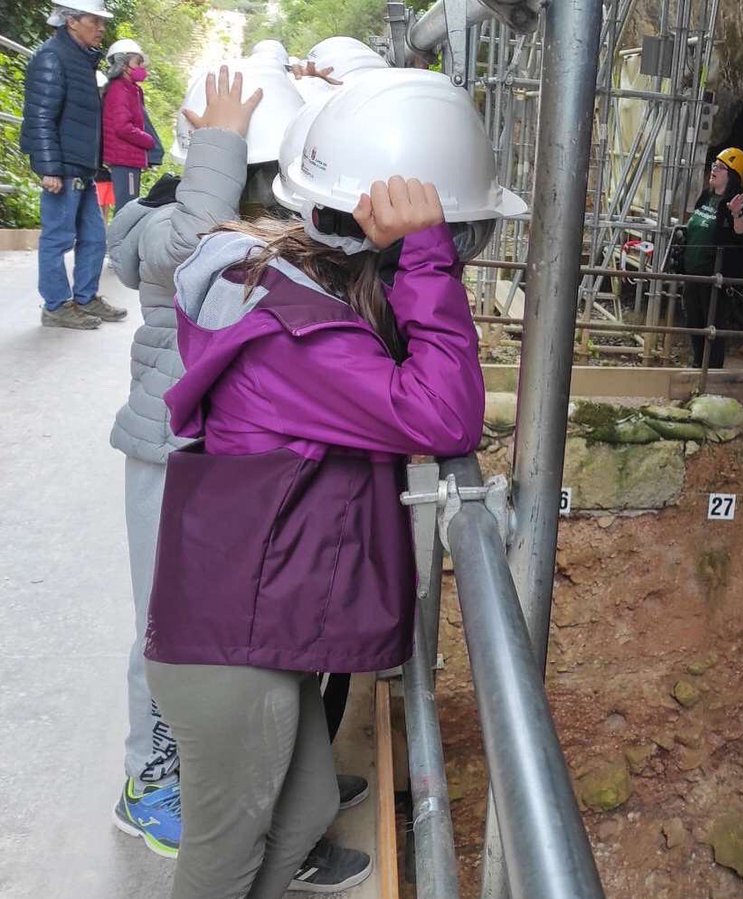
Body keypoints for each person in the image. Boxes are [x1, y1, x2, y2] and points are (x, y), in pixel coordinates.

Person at [140, 68, 520, 899]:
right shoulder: (297, 336)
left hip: (245, 626)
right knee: (222, 860)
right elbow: (445, 417)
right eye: (451, 239)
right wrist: (425, 257)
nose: (453, 256)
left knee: (306, 805)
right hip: (230, 652)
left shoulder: (295, 296)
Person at [107, 64, 368, 893]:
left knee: (237, 639)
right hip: (168, 452)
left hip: (217, 461)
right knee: (168, 627)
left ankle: (281, 801)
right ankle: (151, 784)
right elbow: (195, 236)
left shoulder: (239, 222)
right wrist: (218, 141)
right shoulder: (167, 222)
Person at [19, 1, 127, 329]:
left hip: (80, 167)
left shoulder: (80, 59)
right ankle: (55, 305)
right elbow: (39, 116)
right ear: (71, 21)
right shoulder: (52, 57)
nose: (101, 28)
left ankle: (85, 297)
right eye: (95, 20)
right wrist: (48, 168)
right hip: (62, 167)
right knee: (58, 237)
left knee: (94, 236)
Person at [679, 146, 743, 369]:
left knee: (712, 325)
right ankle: (697, 365)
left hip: (715, 276)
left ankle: (710, 372)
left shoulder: (741, 201)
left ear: (732, 175)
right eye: (714, 165)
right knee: (694, 321)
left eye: (720, 168)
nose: (714, 170)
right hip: (693, 270)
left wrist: (735, 214)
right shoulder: (706, 196)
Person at [101, 38, 155, 211]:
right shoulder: (120, 90)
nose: (142, 68)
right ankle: (120, 239)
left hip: (129, 159)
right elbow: (122, 127)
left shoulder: (131, 89)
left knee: (128, 206)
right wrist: (148, 141)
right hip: (124, 159)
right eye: (138, 63)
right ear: (124, 65)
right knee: (126, 209)